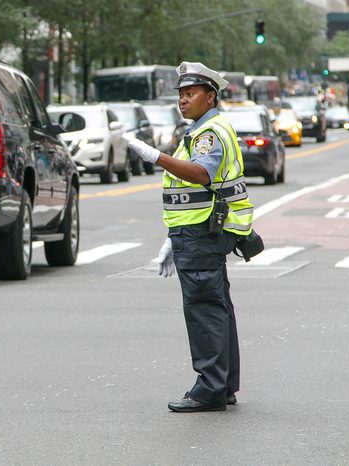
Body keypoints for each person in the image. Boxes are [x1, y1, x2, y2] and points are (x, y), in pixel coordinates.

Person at [125, 62, 255, 413]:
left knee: (204, 311)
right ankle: (223, 384)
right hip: (197, 231)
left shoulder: (209, 133)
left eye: (191, 94)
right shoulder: (203, 130)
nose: (183, 101)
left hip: (201, 235)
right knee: (218, 309)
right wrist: (173, 235)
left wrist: (157, 158)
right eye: (181, 94)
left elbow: (201, 174)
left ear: (210, 97)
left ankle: (210, 389)